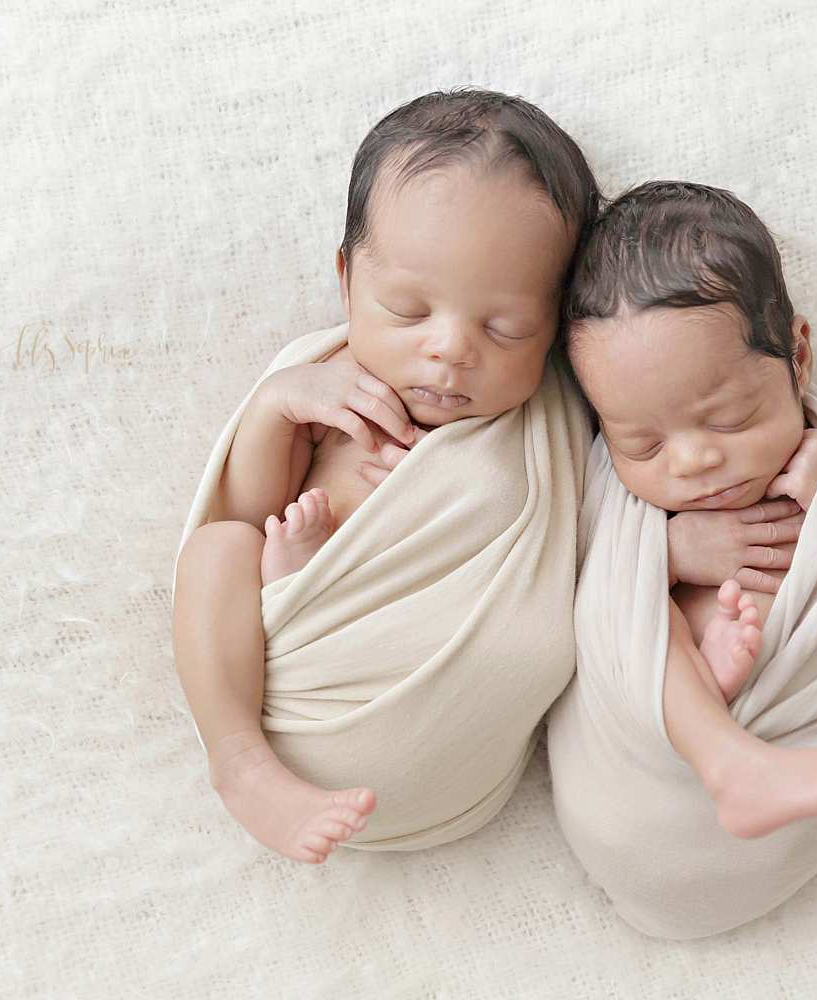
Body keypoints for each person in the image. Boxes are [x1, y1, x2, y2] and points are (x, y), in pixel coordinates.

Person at [171, 89, 599, 864]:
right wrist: (275, 412)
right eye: (406, 309)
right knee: (219, 554)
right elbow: (240, 510)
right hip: (288, 697)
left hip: (459, 750)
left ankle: (296, 569)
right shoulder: (325, 381)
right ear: (345, 279)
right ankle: (238, 762)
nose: (450, 350)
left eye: (505, 326)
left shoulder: (547, 420)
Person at [548, 181, 817, 937]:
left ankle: (720, 683)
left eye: (728, 418)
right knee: (635, 611)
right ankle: (719, 739)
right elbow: (581, 576)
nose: (693, 461)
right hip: (644, 795)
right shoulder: (621, 492)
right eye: (644, 444)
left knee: (701, 614)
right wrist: (663, 551)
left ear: (797, 356)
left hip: (805, 705)